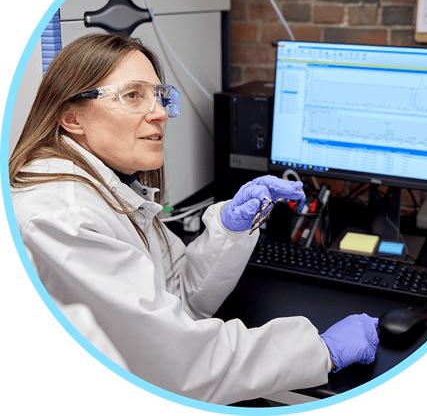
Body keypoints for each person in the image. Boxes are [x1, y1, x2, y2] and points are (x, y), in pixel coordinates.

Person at [10, 33, 379, 405]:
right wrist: (321, 351)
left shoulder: (111, 191)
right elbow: (180, 365)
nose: (158, 112)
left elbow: (178, 300)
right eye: (133, 95)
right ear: (71, 117)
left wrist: (229, 232)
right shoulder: (64, 216)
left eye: (159, 96)